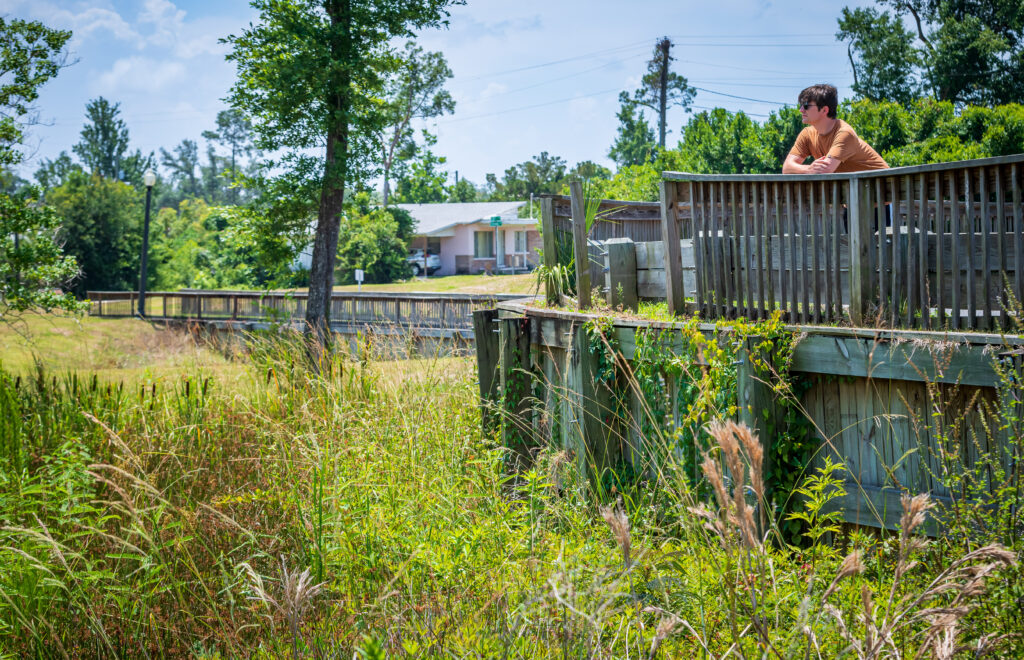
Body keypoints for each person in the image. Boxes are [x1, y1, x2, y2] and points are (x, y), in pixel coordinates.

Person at [782, 84, 889, 174]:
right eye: (800, 105)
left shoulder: (844, 133)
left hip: (885, 194)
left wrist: (806, 169)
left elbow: (825, 170)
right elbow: (786, 168)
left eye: (806, 106)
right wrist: (808, 169)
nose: (801, 110)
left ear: (824, 110)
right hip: (858, 192)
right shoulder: (807, 134)